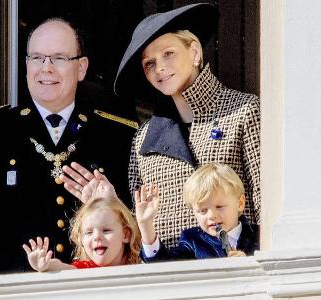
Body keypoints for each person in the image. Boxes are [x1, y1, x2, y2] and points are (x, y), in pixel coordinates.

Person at [0, 18, 138, 276]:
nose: (46, 68)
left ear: (81, 68)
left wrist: (116, 208)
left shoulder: (117, 137)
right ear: (26, 65)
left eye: (59, 58)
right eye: (37, 58)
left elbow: (138, 232)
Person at [61, 3, 260, 251]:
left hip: (238, 271)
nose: (160, 68)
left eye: (168, 53)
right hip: (168, 279)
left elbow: (265, 202)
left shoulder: (244, 111)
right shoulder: (143, 139)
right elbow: (137, 234)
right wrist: (113, 205)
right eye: (149, 63)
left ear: (195, 52)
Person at [135, 163, 258, 262]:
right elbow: (163, 264)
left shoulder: (260, 235)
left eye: (219, 206)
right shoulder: (192, 241)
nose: (211, 215)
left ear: (240, 203)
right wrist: (146, 225)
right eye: (203, 211)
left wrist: (250, 262)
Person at [23, 193, 141, 271]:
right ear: (81, 240)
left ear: (126, 234)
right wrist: (46, 265)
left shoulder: (140, 264)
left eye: (106, 230)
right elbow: (61, 267)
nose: (97, 237)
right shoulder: (85, 269)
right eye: (89, 233)